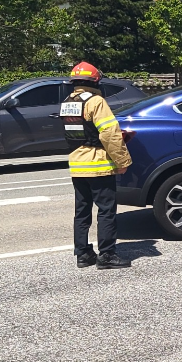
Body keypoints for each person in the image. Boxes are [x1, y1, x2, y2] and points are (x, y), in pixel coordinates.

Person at [61, 61, 134, 270]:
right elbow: (109, 134)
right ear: (95, 81)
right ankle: (107, 255)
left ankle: (83, 254)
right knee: (106, 211)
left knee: (82, 211)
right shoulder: (96, 102)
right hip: (97, 164)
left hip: (77, 164)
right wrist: (122, 161)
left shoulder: (67, 102)